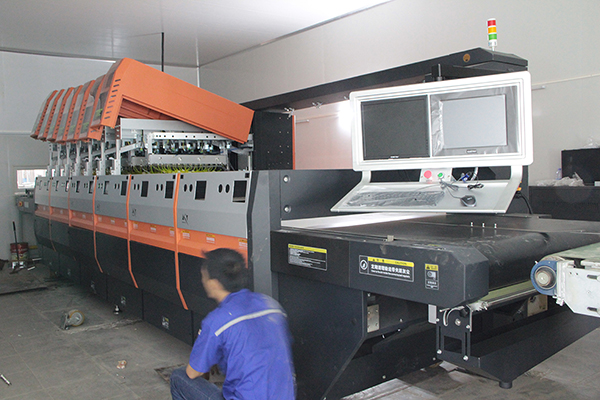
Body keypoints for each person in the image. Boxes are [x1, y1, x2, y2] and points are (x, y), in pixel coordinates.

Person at [170, 248, 295, 400]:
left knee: (178, 377)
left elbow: (193, 372)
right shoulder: (272, 306)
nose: (202, 281)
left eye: (204, 277)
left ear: (214, 284)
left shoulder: (217, 321)